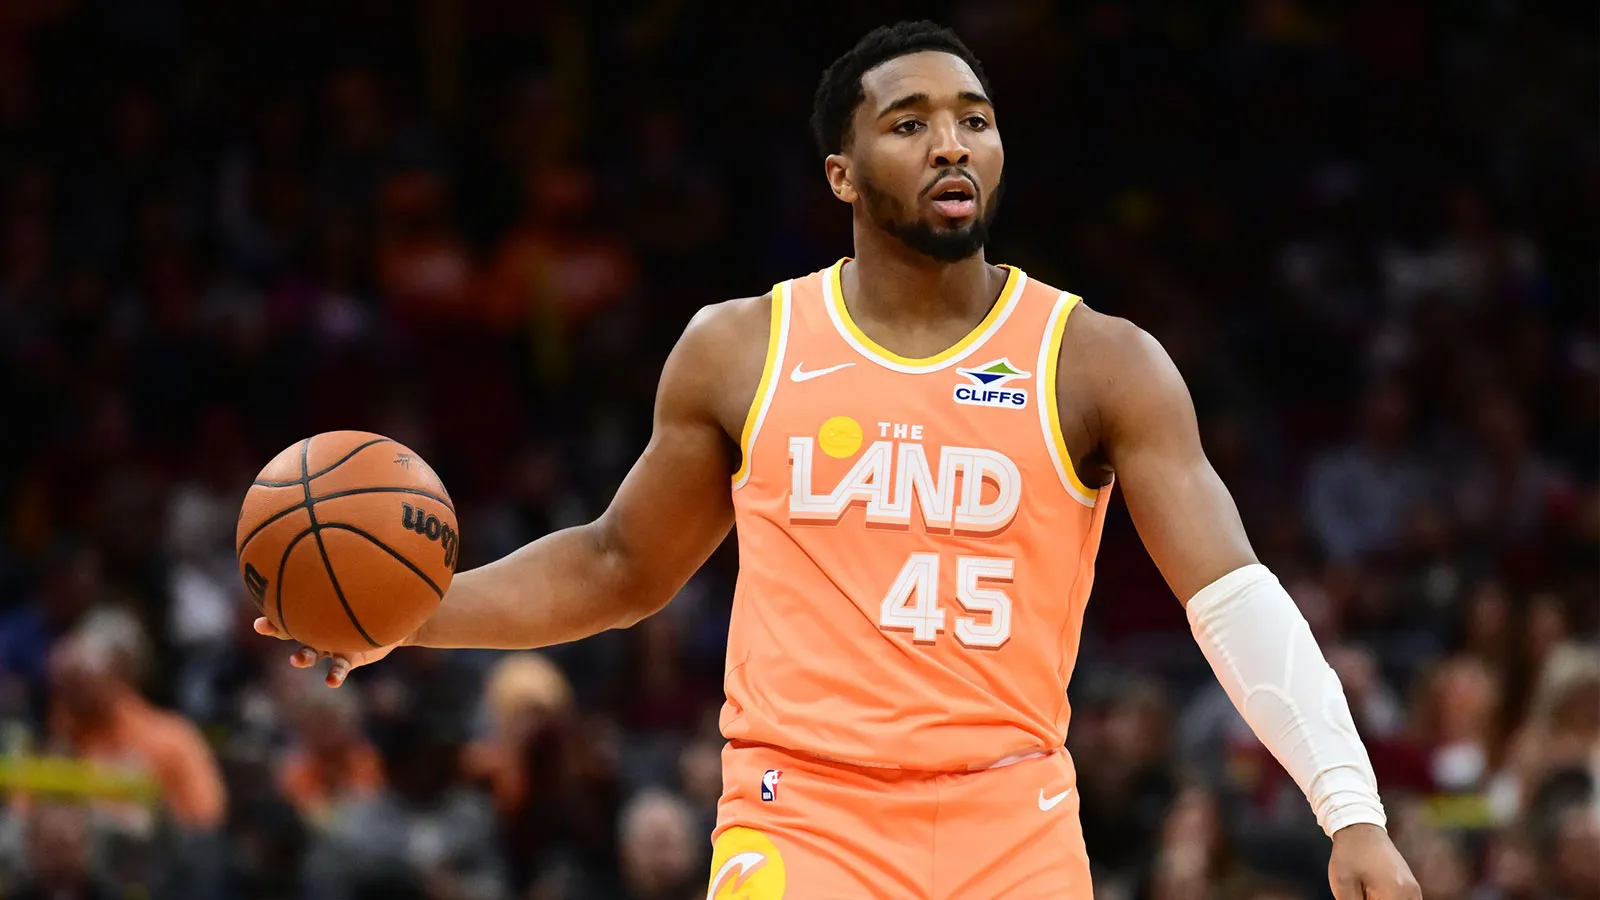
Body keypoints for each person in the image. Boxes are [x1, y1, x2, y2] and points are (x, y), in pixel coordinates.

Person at [257, 21, 1420, 899]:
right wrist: (410, 615)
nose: (950, 141)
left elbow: (1230, 594)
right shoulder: (741, 348)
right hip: (801, 814)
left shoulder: (1097, 362)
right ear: (842, 174)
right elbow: (618, 566)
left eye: (973, 118)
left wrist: (1349, 808)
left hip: (1013, 818)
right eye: (908, 122)